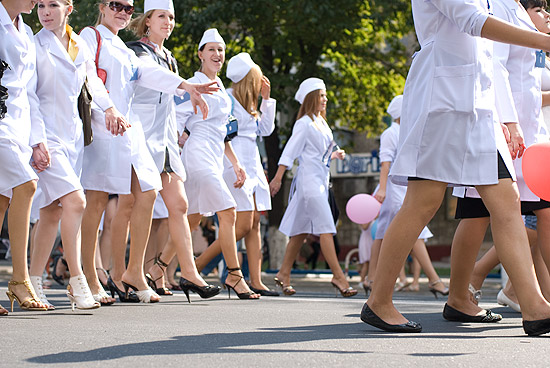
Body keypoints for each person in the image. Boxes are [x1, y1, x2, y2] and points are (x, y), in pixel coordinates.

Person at [361, 0, 550, 336]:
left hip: (480, 108)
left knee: (507, 201)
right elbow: (472, 21)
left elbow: (493, 59)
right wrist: (542, 40)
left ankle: (535, 307)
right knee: (423, 202)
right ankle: (379, 300)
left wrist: (508, 118)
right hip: (443, 100)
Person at [78, 0, 219, 304]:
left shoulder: (125, 50)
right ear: (103, 6)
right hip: (103, 128)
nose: (122, 12)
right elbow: (89, 75)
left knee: (148, 193)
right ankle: (88, 276)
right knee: (98, 201)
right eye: (116, 5)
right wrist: (110, 108)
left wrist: (186, 85)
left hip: (126, 132)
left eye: (128, 8)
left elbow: (147, 73)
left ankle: (133, 273)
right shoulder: (91, 36)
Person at [446, 0, 550, 321]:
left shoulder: (517, 10)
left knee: (537, 212)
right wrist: (509, 120)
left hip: (528, 135)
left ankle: (535, 299)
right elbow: (496, 67)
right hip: (503, 131)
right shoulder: (499, 8)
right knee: (477, 215)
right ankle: (460, 294)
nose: (546, 14)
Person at [27, 0, 131, 310]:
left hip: (71, 139)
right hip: (45, 138)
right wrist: (36, 140)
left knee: (51, 212)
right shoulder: (34, 45)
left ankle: (33, 283)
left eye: (53, 5)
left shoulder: (76, 43)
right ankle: (77, 279)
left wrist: (110, 107)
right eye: (41, 5)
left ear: (69, 8)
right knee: (77, 201)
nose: (45, 11)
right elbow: (29, 95)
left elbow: (92, 80)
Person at [126, 0, 220, 302]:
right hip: (140, 137)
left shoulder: (168, 56)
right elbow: (150, 75)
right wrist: (185, 86)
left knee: (179, 204)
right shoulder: (136, 50)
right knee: (139, 204)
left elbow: (169, 97)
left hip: (166, 142)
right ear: (147, 21)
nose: (168, 22)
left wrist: (188, 102)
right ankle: (132, 271)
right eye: (161, 17)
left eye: (171, 17)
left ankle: (189, 273)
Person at [176, 28, 260, 299]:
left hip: (214, 154)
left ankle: (159, 269)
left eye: (221, 50)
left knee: (191, 218)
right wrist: (171, 151)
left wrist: (235, 163)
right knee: (228, 211)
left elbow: (225, 132)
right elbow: (176, 120)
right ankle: (235, 275)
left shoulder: (222, 90)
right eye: (211, 49)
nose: (217, 54)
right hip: (197, 154)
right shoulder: (192, 83)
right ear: (200, 54)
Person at [193, 52, 278, 296]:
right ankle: (198, 265)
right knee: (241, 224)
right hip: (233, 162)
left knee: (253, 225)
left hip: (251, 162)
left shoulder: (251, 104)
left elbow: (267, 129)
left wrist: (266, 100)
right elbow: (223, 133)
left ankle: (256, 279)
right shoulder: (228, 98)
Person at [269, 78, 357, 297]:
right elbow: (290, 151)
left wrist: (335, 154)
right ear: (311, 98)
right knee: (326, 226)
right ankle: (338, 276)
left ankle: (283, 274)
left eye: (326, 95)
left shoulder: (321, 121)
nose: (325, 99)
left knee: (300, 231)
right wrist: (278, 178)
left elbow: (320, 154)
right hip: (309, 182)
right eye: (321, 95)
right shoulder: (304, 123)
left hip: (320, 180)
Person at [367, 95, 448, 297]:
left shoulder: (406, 131)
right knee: (415, 233)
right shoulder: (390, 133)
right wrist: (383, 189)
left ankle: (371, 278)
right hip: (393, 190)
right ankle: (434, 280)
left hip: (400, 188)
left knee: (381, 235)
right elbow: (385, 163)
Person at [0, 0, 50, 313]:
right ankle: (20, 278)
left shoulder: (26, 30)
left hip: (19, 125)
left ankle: (19, 280)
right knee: (27, 185)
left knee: (4, 199)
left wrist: (36, 140)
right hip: (1, 120)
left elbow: (29, 91)